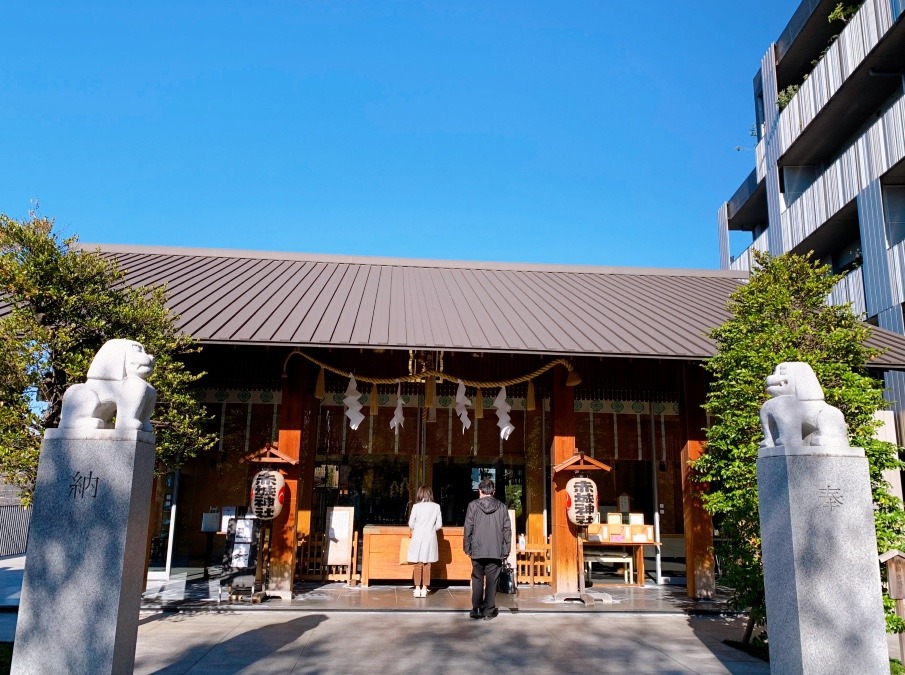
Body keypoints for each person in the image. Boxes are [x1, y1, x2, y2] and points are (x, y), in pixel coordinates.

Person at [463, 478, 511, 620]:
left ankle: (476, 608)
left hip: (477, 550)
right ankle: (488, 611)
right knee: (492, 581)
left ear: (480, 491)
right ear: (493, 491)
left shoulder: (473, 506)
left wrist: (467, 547)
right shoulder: (502, 507)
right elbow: (507, 530)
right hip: (495, 550)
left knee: (477, 578)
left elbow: (468, 528)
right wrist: (506, 549)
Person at [407, 485, 442, 597]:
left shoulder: (416, 507)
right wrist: (431, 528)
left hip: (417, 537)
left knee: (417, 563)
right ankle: (425, 588)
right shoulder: (436, 507)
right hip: (430, 537)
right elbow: (439, 525)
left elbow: (411, 524)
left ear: (420, 494)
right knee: (427, 563)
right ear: (430, 494)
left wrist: (418, 527)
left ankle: (417, 588)